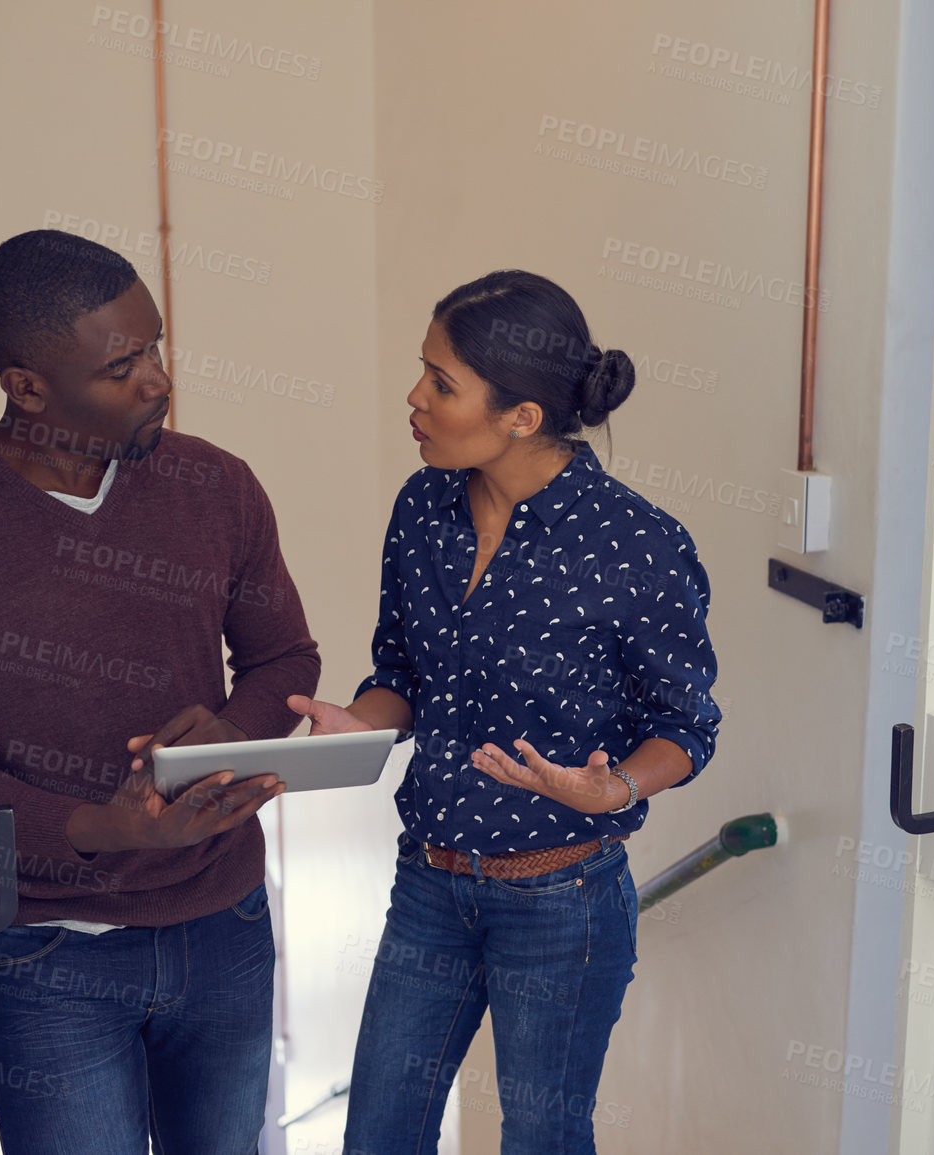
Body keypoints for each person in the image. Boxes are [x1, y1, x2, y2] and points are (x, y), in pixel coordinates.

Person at [0, 230, 319, 1154]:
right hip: (52, 953)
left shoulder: (217, 485)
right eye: (123, 365)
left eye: (154, 346)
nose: (157, 379)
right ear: (27, 386)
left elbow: (286, 659)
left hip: (227, 921)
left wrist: (233, 726)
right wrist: (104, 827)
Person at [288, 270, 722, 1154]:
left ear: (520, 415)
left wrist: (616, 789)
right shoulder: (424, 509)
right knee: (377, 1134)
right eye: (424, 370)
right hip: (428, 884)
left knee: (541, 1137)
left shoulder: (637, 542)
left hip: (563, 899)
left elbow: (686, 724)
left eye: (440, 383)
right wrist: (363, 723)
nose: (413, 397)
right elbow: (401, 670)